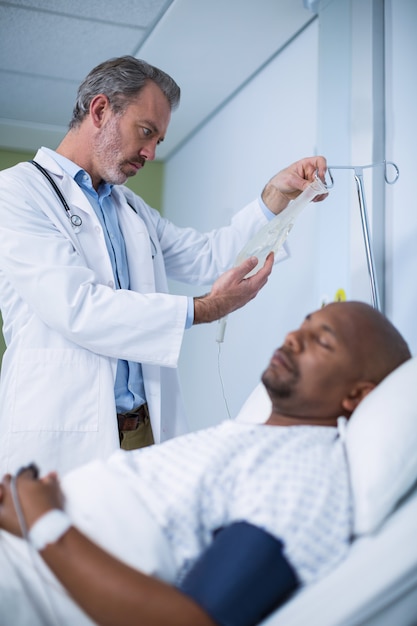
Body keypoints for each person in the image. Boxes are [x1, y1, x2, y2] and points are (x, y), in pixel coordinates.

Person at [0, 55, 328, 475]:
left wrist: (276, 195)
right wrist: (207, 308)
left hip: (144, 432)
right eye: (146, 132)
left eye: (158, 140)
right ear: (100, 111)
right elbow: (78, 307)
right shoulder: (19, 192)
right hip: (64, 434)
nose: (151, 153)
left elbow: (207, 256)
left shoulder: (130, 208)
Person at [0, 301, 411, 626]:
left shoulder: (306, 474)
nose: (293, 337)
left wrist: (43, 522)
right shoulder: (258, 439)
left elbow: (194, 620)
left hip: (26, 578)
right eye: (304, 323)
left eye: (322, 341)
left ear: (357, 395)